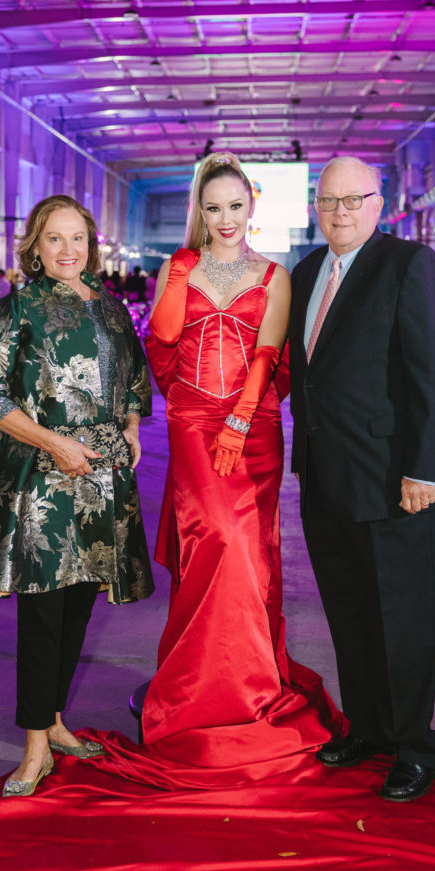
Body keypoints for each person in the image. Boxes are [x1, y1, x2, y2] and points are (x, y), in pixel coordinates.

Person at [134, 151, 342, 781]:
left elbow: (268, 352)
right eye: (212, 207)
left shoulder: (274, 275)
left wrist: (243, 419)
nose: (225, 218)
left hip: (252, 429)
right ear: (199, 210)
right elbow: (164, 342)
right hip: (192, 421)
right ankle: (195, 690)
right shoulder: (180, 265)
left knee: (252, 557)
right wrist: (180, 273)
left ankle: (251, 686)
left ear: (253, 203)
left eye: (234, 206)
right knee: (214, 542)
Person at [0, 194, 154, 798]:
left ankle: (56, 722)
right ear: (35, 247)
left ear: (91, 244)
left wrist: (135, 427)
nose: (68, 250)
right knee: (42, 610)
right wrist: (54, 444)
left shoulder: (114, 310)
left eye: (77, 239)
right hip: (42, 480)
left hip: (104, 483)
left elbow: (135, 383)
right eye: (55, 239)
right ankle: (36, 744)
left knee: (78, 606)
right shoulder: (18, 309)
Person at [289, 155, 435, 802]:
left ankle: (415, 746)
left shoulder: (407, 264)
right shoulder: (306, 272)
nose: (338, 212)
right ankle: (367, 729)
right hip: (327, 479)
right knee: (351, 612)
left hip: (397, 481)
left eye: (350, 200)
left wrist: (422, 467)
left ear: (377, 203)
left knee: (403, 617)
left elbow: (434, 371)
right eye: (327, 201)